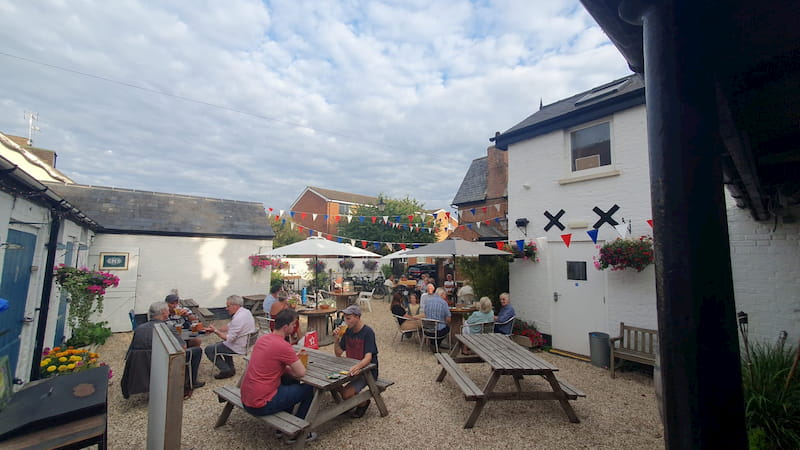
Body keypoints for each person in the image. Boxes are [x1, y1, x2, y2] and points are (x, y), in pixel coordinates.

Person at [240, 309, 316, 443]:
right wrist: (291, 362)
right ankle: (296, 432)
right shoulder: (283, 346)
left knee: (288, 380)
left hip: (246, 398)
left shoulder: (263, 339)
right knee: (308, 389)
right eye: (293, 325)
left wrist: (287, 364)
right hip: (260, 404)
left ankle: (282, 428)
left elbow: (271, 364)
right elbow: (301, 373)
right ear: (286, 327)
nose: (295, 327)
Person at [122, 301, 203, 398]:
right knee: (197, 351)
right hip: (164, 362)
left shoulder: (139, 329)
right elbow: (182, 347)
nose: (168, 313)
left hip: (142, 365)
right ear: (164, 313)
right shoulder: (167, 327)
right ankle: (189, 383)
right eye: (168, 311)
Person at [333, 305, 378, 418]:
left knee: (346, 394)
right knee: (327, 381)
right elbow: (338, 353)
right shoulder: (347, 331)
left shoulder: (368, 332)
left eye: (349, 318)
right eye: (345, 318)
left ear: (357, 317)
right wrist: (336, 338)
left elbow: (368, 357)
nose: (346, 321)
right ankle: (350, 402)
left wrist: (358, 366)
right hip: (352, 368)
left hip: (367, 371)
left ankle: (363, 402)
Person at [204, 295, 257, 379]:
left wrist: (215, 331)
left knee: (209, 349)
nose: (226, 308)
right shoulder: (246, 312)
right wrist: (215, 329)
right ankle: (230, 368)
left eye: (228, 306)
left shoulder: (238, 318)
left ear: (235, 305)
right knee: (222, 345)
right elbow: (229, 326)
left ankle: (225, 370)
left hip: (239, 346)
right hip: (245, 343)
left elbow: (228, 339)